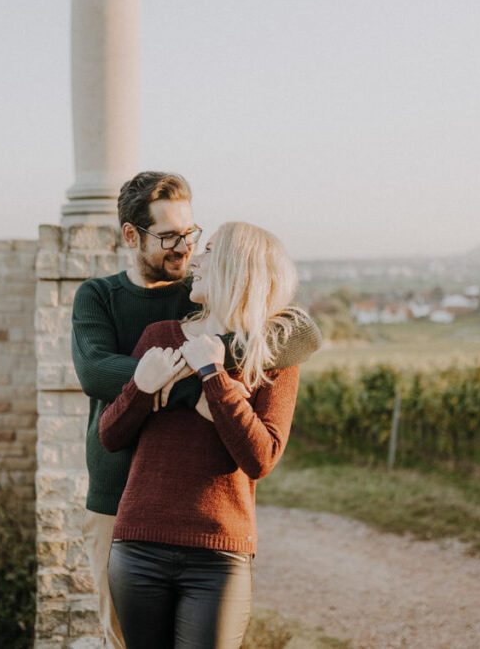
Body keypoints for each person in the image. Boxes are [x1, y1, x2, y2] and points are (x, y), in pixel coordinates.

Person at [70, 172, 320, 649]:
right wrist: (193, 389)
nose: (185, 249)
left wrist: (204, 371)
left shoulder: (199, 293)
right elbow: (97, 373)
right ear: (131, 235)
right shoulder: (99, 297)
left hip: (200, 507)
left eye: (190, 235)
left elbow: (301, 335)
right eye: (168, 237)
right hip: (116, 501)